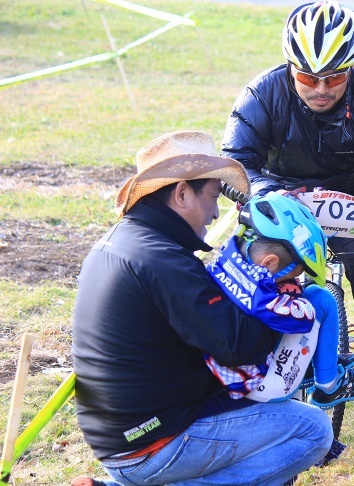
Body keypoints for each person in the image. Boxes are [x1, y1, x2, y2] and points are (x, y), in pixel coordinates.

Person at [71, 131, 333, 486]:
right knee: (313, 430)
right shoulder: (165, 261)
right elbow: (240, 347)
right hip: (151, 443)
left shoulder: (118, 242)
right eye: (211, 197)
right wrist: (278, 305)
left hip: (122, 435)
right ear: (182, 193)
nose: (214, 213)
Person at [221, 0, 354, 436]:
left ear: (351, 69)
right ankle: (249, 385)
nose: (321, 88)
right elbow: (236, 161)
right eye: (307, 77)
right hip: (277, 196)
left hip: (349, 195)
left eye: (334, 77)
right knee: (256, 279)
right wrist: (265, 194)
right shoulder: (262, 93)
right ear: (290, 69)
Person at [204, 192, 354, 407]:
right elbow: (302, 318)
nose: (294, 281)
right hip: (256, 386)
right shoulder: (260, 300)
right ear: (269, 262)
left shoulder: (226, 257)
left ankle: (320, 362)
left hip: (223, 374)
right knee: (321, 301)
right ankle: (330, 386)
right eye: (292, 276)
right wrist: (295, 293)